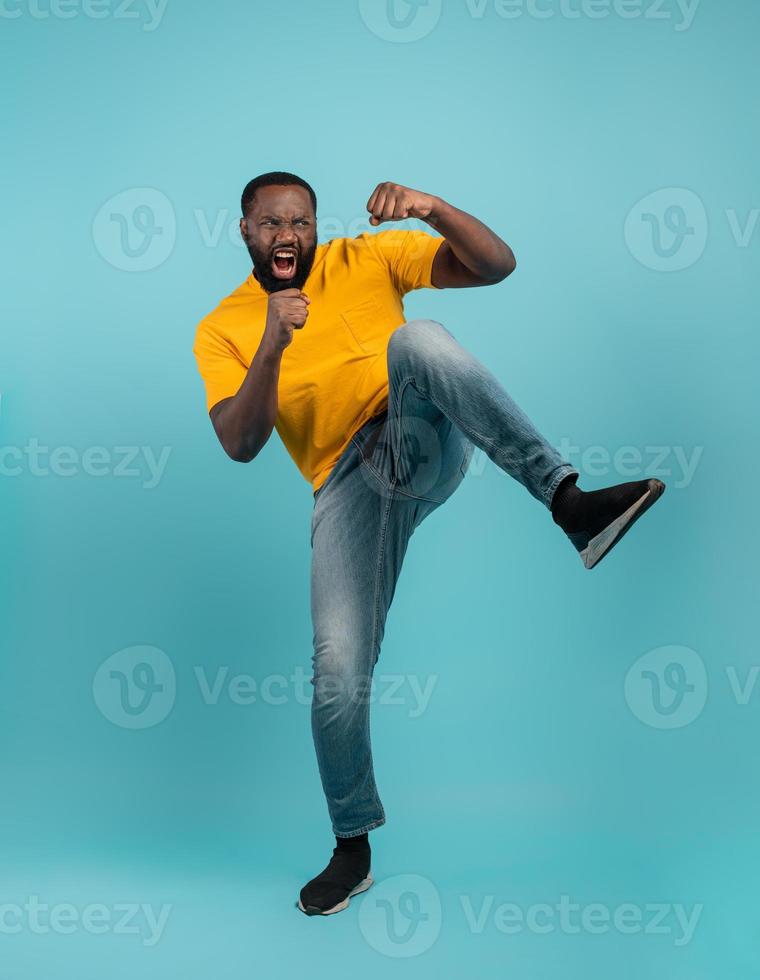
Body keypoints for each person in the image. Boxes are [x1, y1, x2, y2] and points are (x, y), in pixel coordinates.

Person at [192, 171, 666, 916]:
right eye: (270, 222)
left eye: (301, 221)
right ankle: (352, 848)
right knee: (337, 668)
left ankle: (566, 499)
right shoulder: (223, 325)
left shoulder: (365, 259)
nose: (288, 234)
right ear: (243, 229)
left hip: (418, 433)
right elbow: (240, 443)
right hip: (346, 484)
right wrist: (271, 347)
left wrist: (433, 209)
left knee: (416, 338)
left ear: (316, 226)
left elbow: (495, 265)